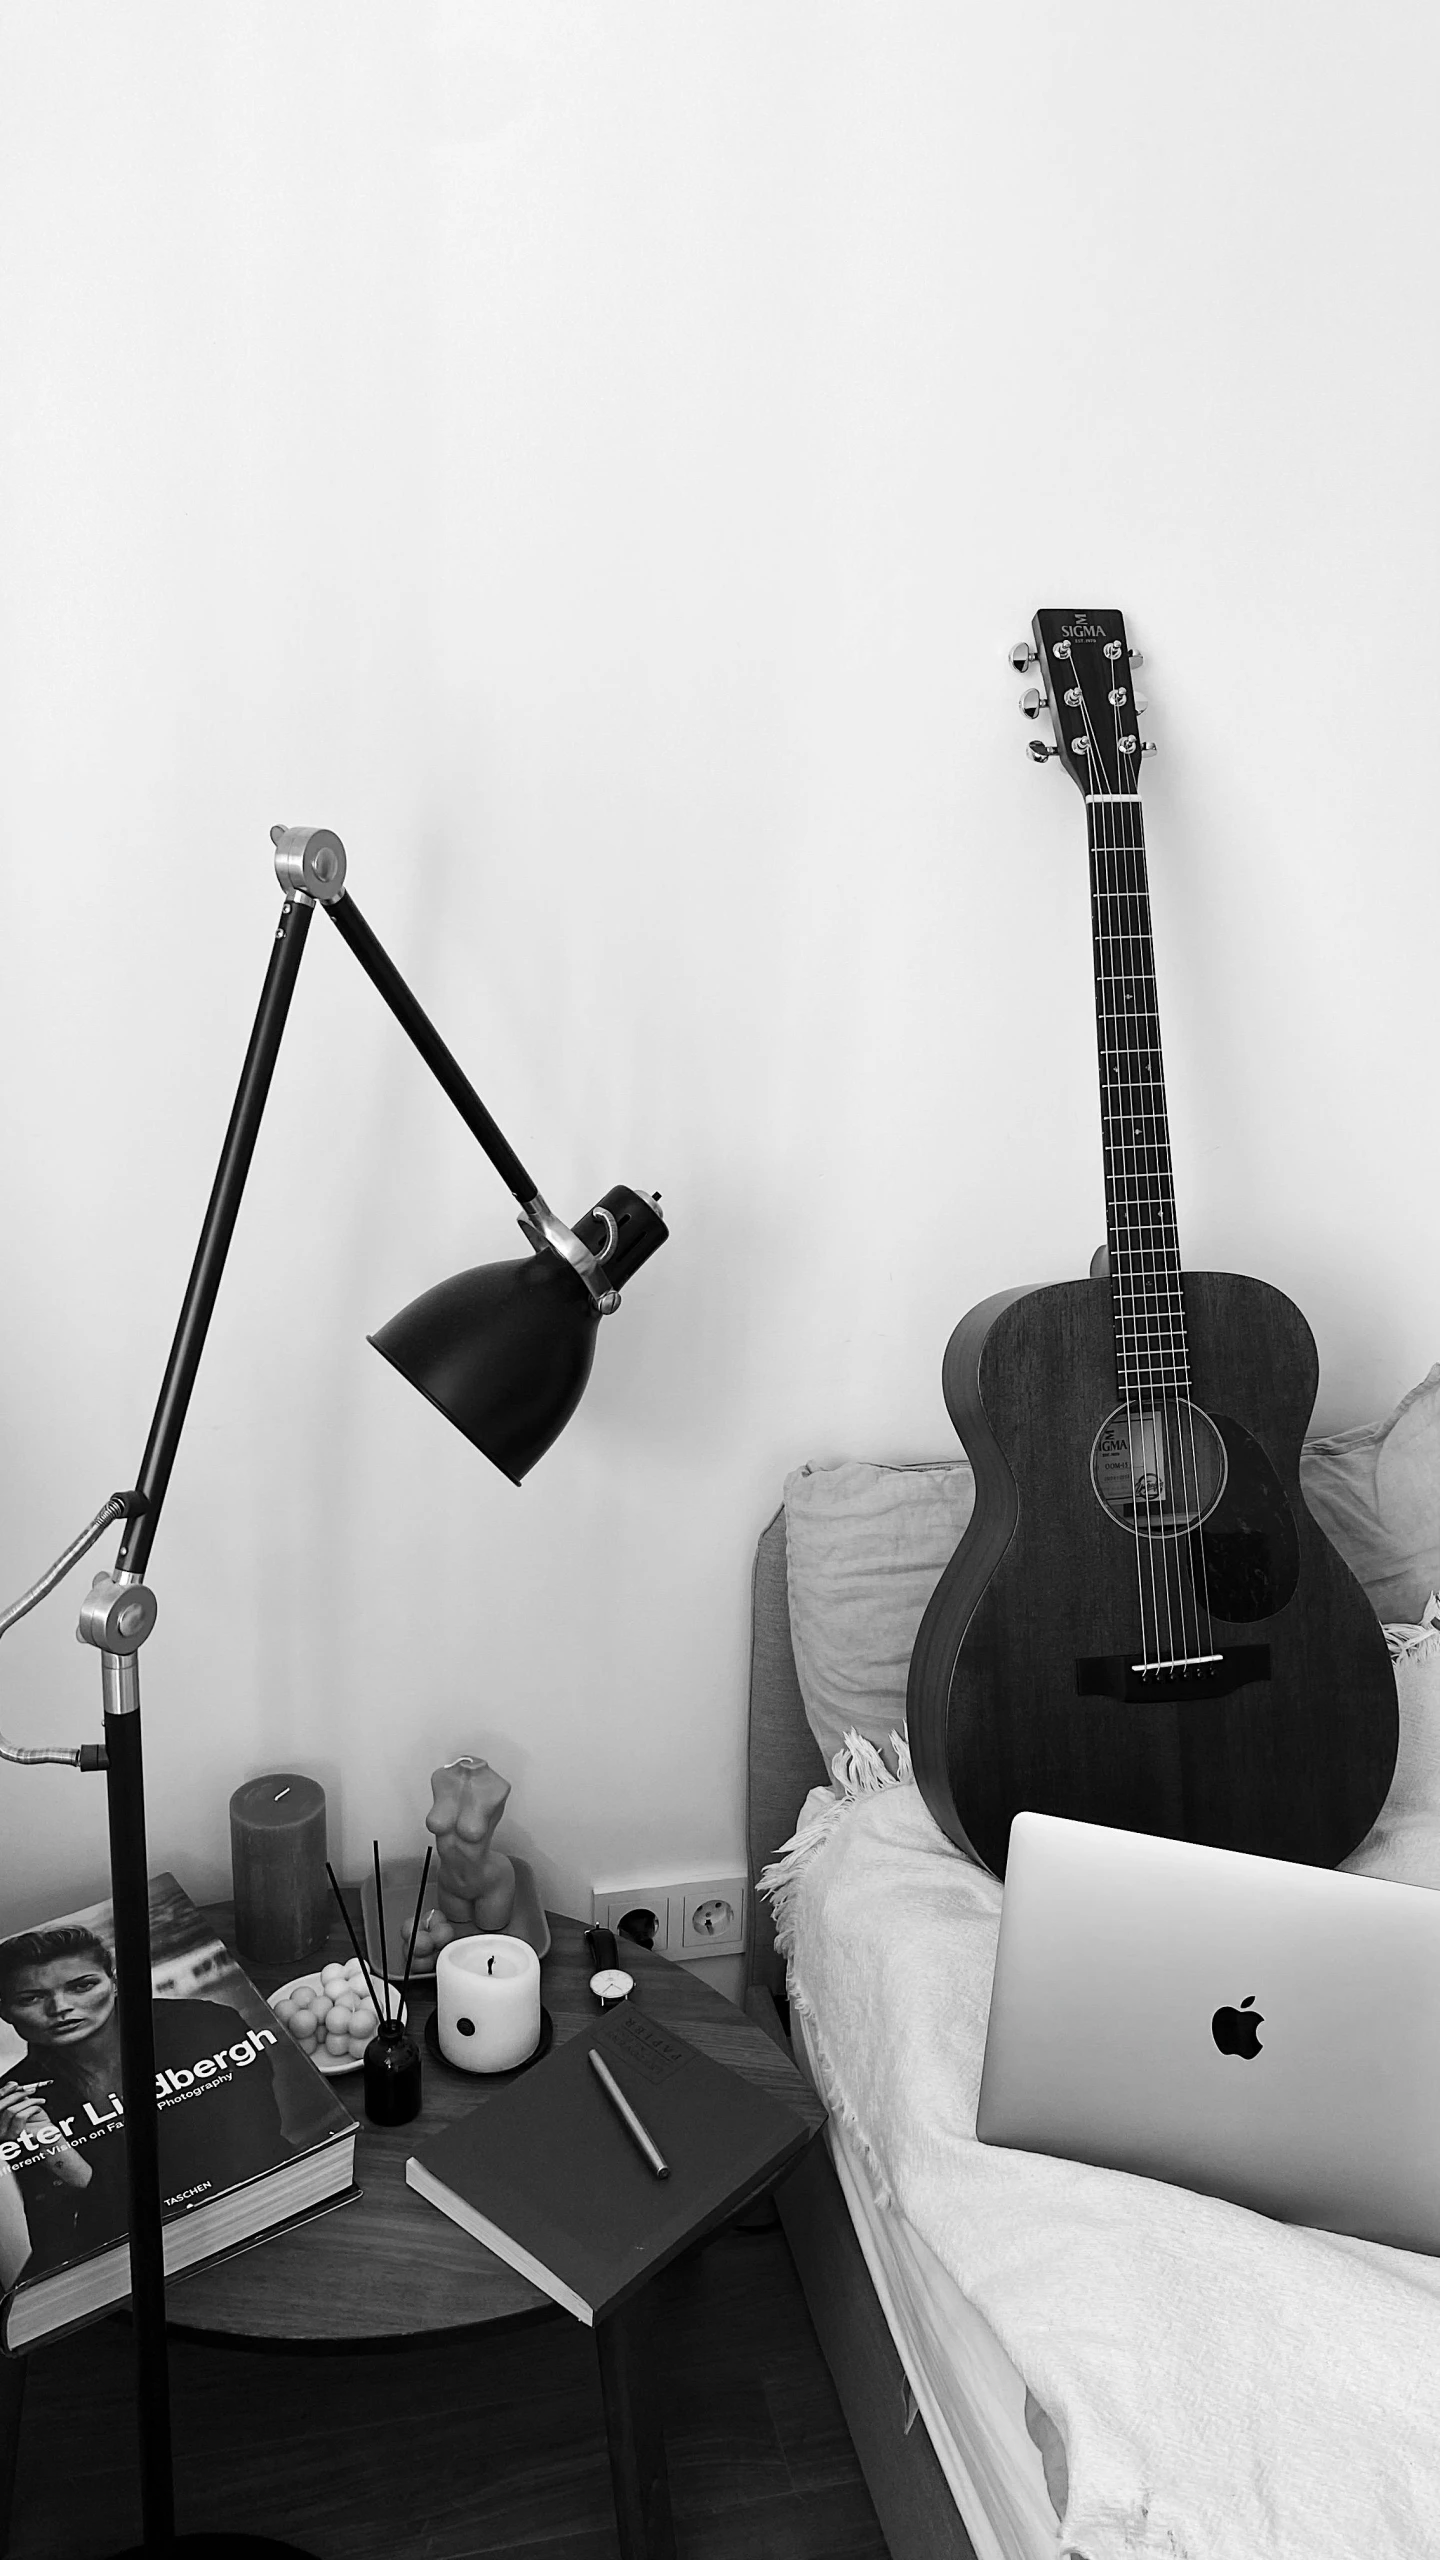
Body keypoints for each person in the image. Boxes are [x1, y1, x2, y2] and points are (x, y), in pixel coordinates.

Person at [0, 1924, 293, 2280]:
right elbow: (59, 2234)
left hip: (267, 2208)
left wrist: (90, 2180)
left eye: (82, 1986)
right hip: (132, 2269)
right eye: (30, 1998)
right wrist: (61, 2161)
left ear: (115, 1981)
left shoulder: (203, 2023)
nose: (59, 2007)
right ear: (5, 2012)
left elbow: (250, 2150)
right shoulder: (15, 2100)